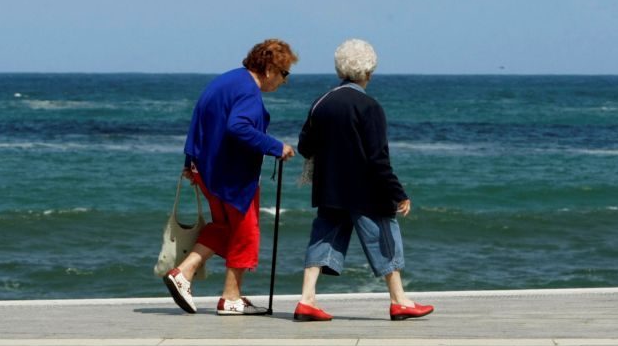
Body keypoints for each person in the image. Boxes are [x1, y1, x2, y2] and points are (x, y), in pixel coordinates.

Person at [294, 39, 433, 322]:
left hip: (330, 188)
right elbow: (378, 159)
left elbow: (305, 146)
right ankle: (399, 301)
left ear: (340, 70)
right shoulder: (369, 107)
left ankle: (307, 299)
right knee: (384, 237)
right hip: (365, 190)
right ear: (368, 72)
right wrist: (398, 193)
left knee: (323, 237)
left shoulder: (321, 103)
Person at [164, 39, 298, 315]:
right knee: (246, 232)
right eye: (284, 74)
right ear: (270, 68)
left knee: (225, 228)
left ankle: (187, 275)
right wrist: (276, 147)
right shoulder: (249, 91)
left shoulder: (225, 81)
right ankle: (229, 297)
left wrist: (190, 161)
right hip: (231, 175)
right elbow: (238, 127)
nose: (284, 81)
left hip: (207, 170)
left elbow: (198, 117)